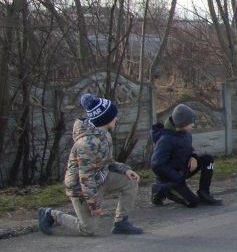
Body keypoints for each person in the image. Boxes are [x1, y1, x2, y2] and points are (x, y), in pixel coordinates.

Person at [38, 94, 143, 236]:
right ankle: (50, 214)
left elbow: (108, 162)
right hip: (81, 188)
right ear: (104, 119)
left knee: (131, 181)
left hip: (99, 179)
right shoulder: (87, 144)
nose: (116, 118)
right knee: (88, 229)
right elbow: (85, 179)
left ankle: (121, 223)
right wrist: (94, 205)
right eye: (114, 116)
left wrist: (125, 170)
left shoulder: (104, 134)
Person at [150, 104, 222, 207]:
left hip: (182, 170)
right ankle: (160, 189)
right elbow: (157, 164)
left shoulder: (185, 133)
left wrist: (193, 156)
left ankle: (204, 193)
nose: (193, 125)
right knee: (193, 202)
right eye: (190, 122)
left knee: (207, 159)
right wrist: (177, 177)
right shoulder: (165, 139)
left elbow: (187, 148)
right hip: (171, 178)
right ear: (181, 123)